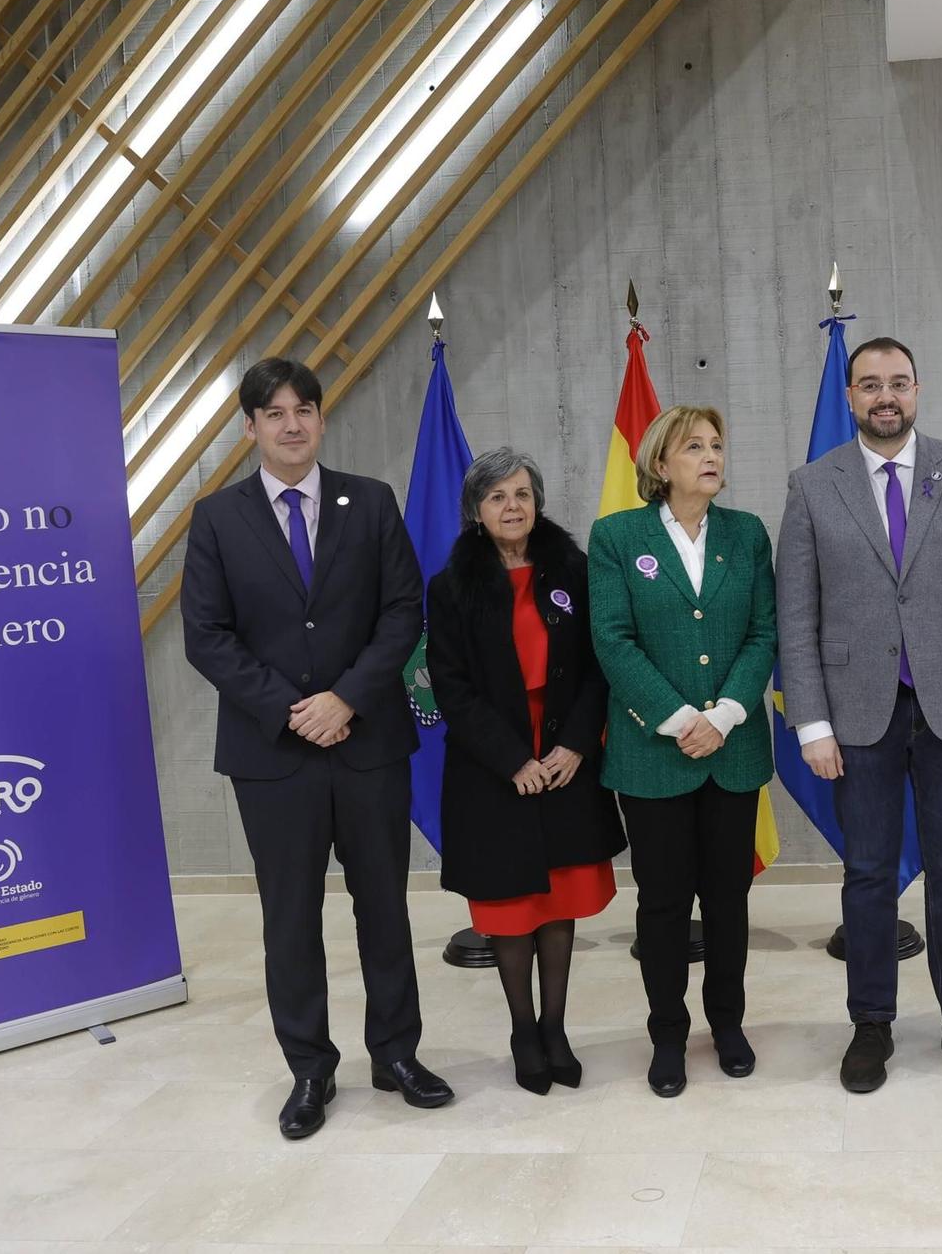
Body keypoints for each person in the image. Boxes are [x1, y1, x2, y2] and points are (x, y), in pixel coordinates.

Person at [181, 358, 452, 1140]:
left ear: (323, 419)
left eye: (304, 409)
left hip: (367, 742)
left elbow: (404, 610)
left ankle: (397, 1053)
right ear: (250, 428)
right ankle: (310, 1068)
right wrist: (292, 710)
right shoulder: (217, 518)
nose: (291, 424)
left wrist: (347, 699)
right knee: (290, 918)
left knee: (385, 910)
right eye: (274, 412)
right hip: (273, 755)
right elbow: (207, 635)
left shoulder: (369, 502)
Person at [778, 336, 942, 1094]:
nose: (885, 396)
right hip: (857, 715)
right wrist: (811, 723)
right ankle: (871, 1023)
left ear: (917, 389)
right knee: (867, 873)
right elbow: (797, 612)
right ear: (851, 397)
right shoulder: (813, 485)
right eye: (869, 385)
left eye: (899, 383)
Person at [587, 405, 778, 1098]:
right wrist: (676, 718)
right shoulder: (616, 536)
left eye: (718, 445)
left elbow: (764, 632)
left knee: (728, 898)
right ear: (660, 464)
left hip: (731, 748)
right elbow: (611, 639)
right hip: (652, 753)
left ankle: (726, 1023)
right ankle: (667, 1031)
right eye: (694, 446)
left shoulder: (747, 534)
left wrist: (724, 715)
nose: (712, 456)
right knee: (663, 903)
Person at [423, 448, 624, 1096]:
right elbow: (450, 687)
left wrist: (573, 746)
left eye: (522, 493)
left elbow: (599, 665)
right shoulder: (451, 585)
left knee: (559, 899)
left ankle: (557, 1027)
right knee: (512, 907)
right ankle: (521, 1030)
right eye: (497, 497)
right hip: (495, 767)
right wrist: (513, 759)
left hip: (565, 758)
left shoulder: (572, 567)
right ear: (476, 512)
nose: (513, 506)